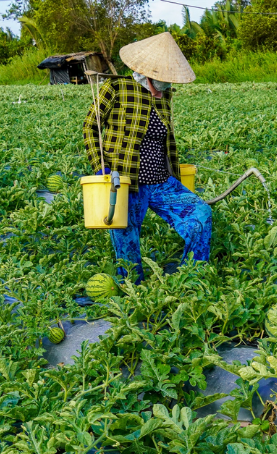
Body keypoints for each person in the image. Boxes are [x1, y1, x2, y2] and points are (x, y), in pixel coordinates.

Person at [83, 33, 211, 283]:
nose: (165, 85)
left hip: (163, 182)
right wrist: (101, 166)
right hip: (127, 183)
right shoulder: (116, 88)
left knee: (200, 215)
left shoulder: (164, 98)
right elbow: (90, 126)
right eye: (161, 80)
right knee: (127, 245)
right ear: (147, 74)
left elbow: (163, 139)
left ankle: (191, 278)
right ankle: (134, 294)